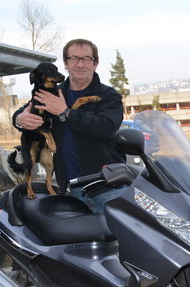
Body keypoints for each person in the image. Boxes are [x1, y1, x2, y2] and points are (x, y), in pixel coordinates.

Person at [13, 38, 125, 214]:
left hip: (109, 188)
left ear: (95, 63)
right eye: (74, 58)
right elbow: (26, 110)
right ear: (66, 63)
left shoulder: (108, 96)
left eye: (86, 58)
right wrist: (20, 119)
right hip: (72, 191)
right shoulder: (52, 93)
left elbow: (105, 128)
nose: (80, 64)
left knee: (118, 233)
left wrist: (65, 112)